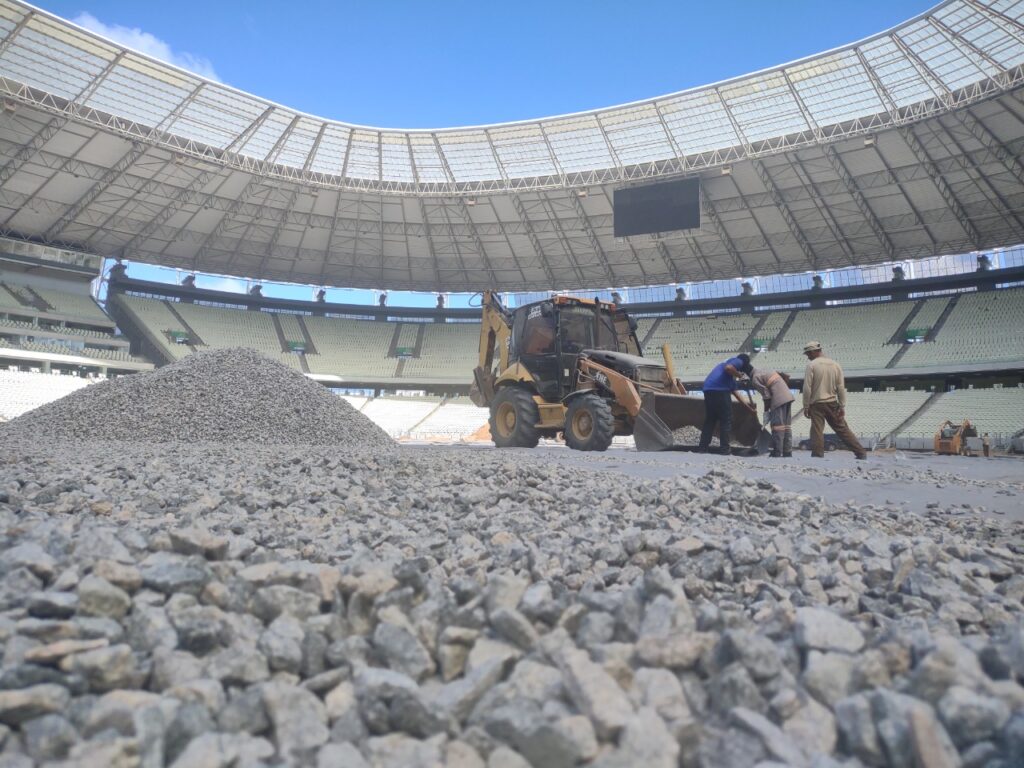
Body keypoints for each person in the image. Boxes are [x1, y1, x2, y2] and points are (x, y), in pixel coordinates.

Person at [801, 341, 867, 460]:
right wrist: (842, 405)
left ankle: (817, 455)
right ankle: (860, 452)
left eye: (808, 354)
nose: (808, 357)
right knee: (842, 429)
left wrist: (806, 406)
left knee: (817, 430)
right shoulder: (835, 365)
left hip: (816, 404)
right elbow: (840, 387)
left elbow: (807, 388)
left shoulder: (812, 365)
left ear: (813, 351)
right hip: (832, 403)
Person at [698, 353, 750, 455]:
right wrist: (741, 376)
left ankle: (702, 448)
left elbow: (736, 394)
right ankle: (724, 449)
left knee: (710, 420)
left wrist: (749, 408)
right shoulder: (737, 361)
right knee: (726, 420)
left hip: (708, 390)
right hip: (720, 391)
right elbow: (729, 368)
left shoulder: (728, 378)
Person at [743, 361, 794, 457]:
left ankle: (777, 452)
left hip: (778, 399)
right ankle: (787, 452)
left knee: (777, 427)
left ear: (745, 373)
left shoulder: (755, 378)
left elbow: (766, 396)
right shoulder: (764, 369)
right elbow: (785, 376)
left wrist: (766, 412)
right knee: (786, 426)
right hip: (788, 397)